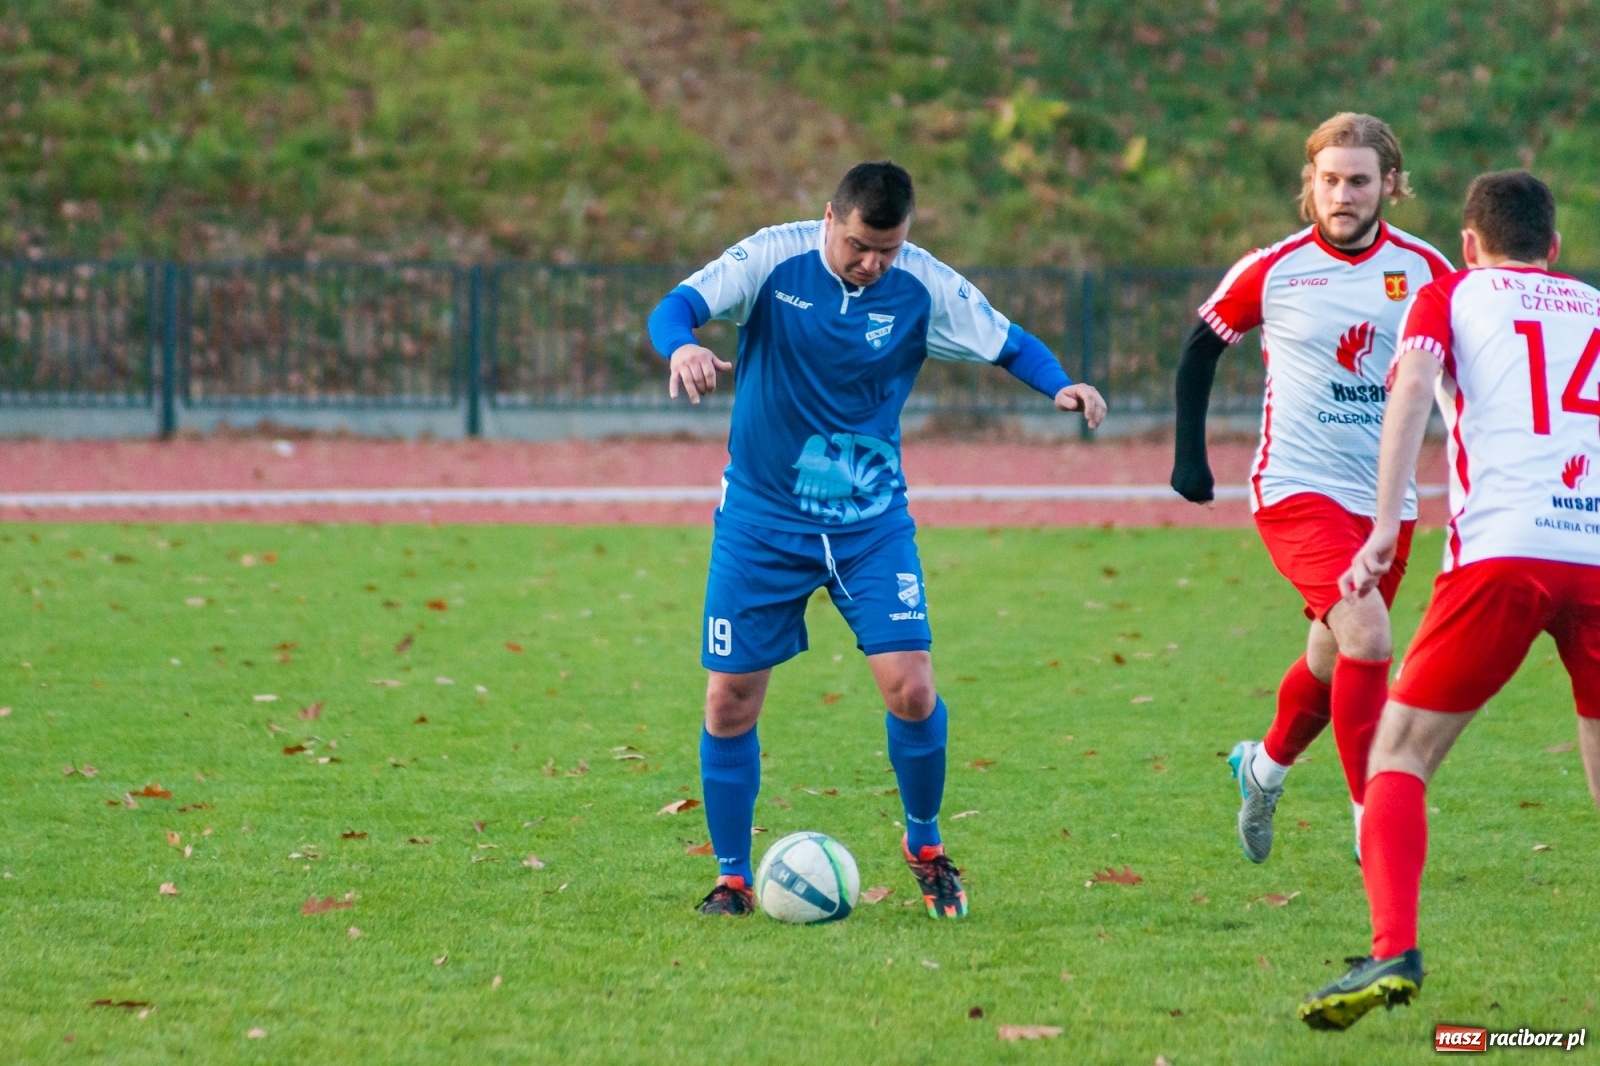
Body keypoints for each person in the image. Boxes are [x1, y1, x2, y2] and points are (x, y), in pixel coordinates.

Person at [646, 161, 1107, 917]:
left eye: (888, 250)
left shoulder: (921, 283)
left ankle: (925, 845)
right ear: (830, 218)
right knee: (729, 701)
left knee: (912, 687)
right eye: (861, 245)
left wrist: (1058, 383)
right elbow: (677, 306)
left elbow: (1007, 340)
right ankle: (731, 877)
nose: (874, 263)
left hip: (870, 523)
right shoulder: (773, 257)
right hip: (762, 522)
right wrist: (681, 346)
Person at [1300, 170, 1600, 1030]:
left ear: (1470, 243)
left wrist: (1385, 529)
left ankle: (1393, 946)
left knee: (1399, 753)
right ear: (1554, 247)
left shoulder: (1448, 293)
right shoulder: (1594, 303)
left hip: (1506, 553)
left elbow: (1407, 392)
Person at [1170, 113, 1452, 862]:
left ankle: (1262, 768)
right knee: (1368, 635)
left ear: (1390, 184)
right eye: (1329, 180)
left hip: (1386, 503)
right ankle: (1371, 814)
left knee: (1332, 665)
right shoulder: (1275, 267)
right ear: (1311, 184)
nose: (1343, 194)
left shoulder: (1427, 270)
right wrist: (1189, 458)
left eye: (1359, 180)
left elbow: (1469, 366)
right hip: (1296, 488)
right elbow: (1200, 350)